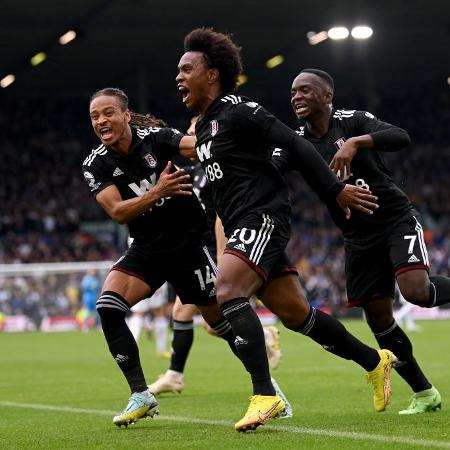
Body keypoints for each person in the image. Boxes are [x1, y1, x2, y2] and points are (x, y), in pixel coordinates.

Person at [176, 28, 397, 432]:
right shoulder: (205, 127)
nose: (179, 77)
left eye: (187, 69)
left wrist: (335, 190)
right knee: (299, 316)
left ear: (212, 74)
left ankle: (266, 394)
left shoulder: (241, 112)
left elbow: (297, 146)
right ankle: (374, 361)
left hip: (261, 218)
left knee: (228, 292)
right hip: (241, 223)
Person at [273, 67, 444, 414]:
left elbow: (400, 137)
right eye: (293, 92)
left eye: (305, 90)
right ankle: (424, 393)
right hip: (357, 237)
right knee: (378, 316)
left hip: (394, 218)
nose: (296, 97)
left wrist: (356, 142)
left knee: (416, 292)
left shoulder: (353, 121)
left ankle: (423, 389)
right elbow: (270, 168)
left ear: (326, 96)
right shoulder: (296, 141)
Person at [83, 87, 248, 427]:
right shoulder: (95, 164)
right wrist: (158, 190)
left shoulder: (157, 139)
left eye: (108, 112)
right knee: (108, 307)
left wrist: (227, 137)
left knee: (221, 324)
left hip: (189, 245)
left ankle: (267, 388)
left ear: (126, 115)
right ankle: (141, 394)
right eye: (95, 116)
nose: (101, 120)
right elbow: (117, 211)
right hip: (146, 248)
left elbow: (194, 148)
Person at [148, 118, 285, 397]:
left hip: (219, 249)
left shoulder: (216, 171)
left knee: (210, 322)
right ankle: (175, 374)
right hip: (199, 250)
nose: (183, 139)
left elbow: (222, 218)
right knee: (184, 313)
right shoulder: (194, 171)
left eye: (189, 134)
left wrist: (224, 258)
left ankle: (262, 350)